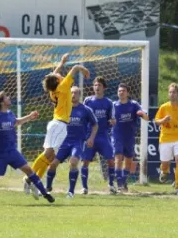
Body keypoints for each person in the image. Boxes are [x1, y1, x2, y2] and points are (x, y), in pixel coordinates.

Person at [27, 53, 90, 196]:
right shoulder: (63, 86)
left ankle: (34, 181)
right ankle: (29, 177)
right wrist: (83, 69)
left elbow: (54, 74)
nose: (60, 75)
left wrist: (61, 62)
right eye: (58, 76)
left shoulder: (54, 88)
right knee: (48, 154)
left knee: (49, 157)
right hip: (59, 125)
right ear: (58, 81)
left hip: (57, 124)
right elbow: (74, 68)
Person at [0, 91, 54, 204]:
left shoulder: (10, 113)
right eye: (6, 97)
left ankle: (45, 193)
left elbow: (16, 122)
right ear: (2, 102)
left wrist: (30, 117)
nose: (9, 97)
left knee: (28, 170)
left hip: (12, 151)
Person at [44, 86, 98, 198]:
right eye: (71, 93)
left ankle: (71, 192)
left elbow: (95, 124)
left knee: (73, 163)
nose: (73, 95)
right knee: (52, 164)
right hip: (63, 142)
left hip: (77, 143)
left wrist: (91, 138)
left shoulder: (86, 110)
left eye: (76, 93)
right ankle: (48, 187)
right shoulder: (63, 107)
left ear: (79, 95)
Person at [154, 82, 178, 195]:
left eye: (174, 92)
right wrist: (163, 120)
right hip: (165, 139)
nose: (172, 94)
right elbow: (156, 121)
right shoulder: (164, 107)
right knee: (165, 163)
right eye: (170, 92)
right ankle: (164, 171)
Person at [110, 83, 149, 193]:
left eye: (123, 91)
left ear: (127, 93)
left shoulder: (134, 104)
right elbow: (108, 119)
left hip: (130, 136)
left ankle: (123, 181)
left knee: (128, 160)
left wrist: (142, 114)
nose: (121, 92)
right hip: (117, 135)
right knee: (118, 158)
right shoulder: (113, 105)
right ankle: (119, 183)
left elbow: (146, 117)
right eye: (119, 91)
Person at [81, 77, 116, 194]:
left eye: (99, 85)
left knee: (111, 160)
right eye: (95, 85)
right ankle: (84, 187)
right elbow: (82, 116)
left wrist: (112, 121)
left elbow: (112, 119)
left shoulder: (109, 103)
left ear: (104, 88)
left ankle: (111, 185)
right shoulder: (87, 101)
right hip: (89, 136)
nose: (97, 87)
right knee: (85, 161)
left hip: (103, 136)